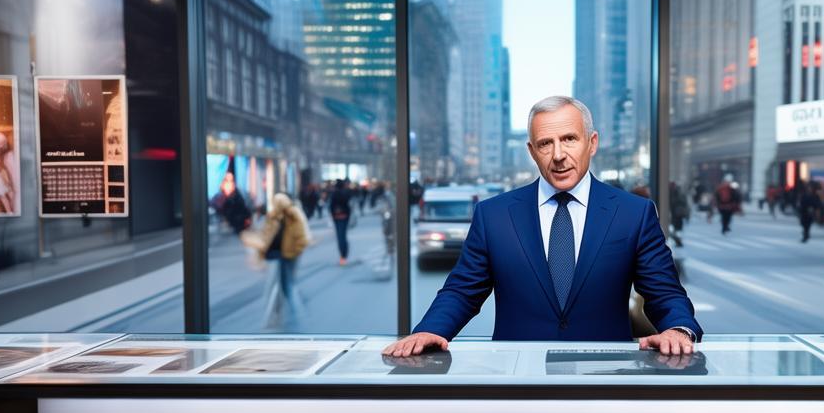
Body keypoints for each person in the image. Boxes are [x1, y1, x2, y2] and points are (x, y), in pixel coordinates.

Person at [384, 95, 701, 357]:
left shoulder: (634, 213)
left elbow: (665, 292)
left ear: (591, 143)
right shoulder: (493, 215)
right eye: (546, 144)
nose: (559, 155)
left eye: (569, 139)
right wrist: (430, 330)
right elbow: (462, 291)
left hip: (606, 378)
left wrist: (678, 329)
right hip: (518, 378)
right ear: (532, 152)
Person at [252, 193, 310, 330]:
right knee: (282, 286)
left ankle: (294, 316)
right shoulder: (275, 216)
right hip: (280, 256)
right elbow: (266, 235)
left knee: (285, 286)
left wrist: (294, 251)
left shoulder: (292, 214)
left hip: (287, 256)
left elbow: (301, 236)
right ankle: (281, 317)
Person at [328, 179, 353, 265]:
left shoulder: (334, 194)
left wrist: (333, 215)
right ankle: (344, 255)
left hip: (337, 217)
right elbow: (349, 206)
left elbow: (331, 206)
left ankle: (342, 256)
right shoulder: (346, 193)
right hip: (344, 217)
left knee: (339, 237)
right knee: (343, 236)